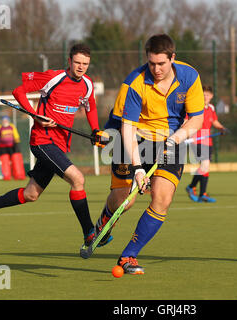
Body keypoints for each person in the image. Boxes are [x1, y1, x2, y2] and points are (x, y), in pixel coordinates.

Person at [86, 34, 204, 275]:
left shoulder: (190, 77)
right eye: (151, 63)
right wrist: (139, 168)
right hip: (134, 138)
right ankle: (105, 220)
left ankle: (128, 256)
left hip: (171, 140)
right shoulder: (135, 83)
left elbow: (197, 118)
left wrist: (177, 138)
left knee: (162, 198)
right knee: (124, 200)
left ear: (173, 57)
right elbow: (126, 128)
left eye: (161, 63)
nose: (156, 69)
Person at [0, 44, 106, 251]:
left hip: (59, 145)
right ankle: (89, 233)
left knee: (31, 194)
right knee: (78, 179)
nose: (81, 67)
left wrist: (96, 130)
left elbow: (91, 106)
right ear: (69, 61)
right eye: (77, 62)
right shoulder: (53, 77)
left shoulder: (87, 84)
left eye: (85, 64)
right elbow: (18, 91)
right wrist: (35, 115)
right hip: (42, 141)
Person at [185, 85, 228, 203]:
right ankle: (193, 188)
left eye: (208, 95)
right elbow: (186, 121)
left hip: (207, 140)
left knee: (205, 167)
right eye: (203, 95)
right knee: (204, 165)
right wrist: (187, 134)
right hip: (197, 139)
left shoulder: (211, 108)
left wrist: (222, 128)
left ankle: (200, 192)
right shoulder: (195, 107)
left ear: (211, 96)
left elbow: (214, 121)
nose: (205, 97)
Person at [0, 115, 26, 180]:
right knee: (5, 162)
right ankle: (6, 176)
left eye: (6, 120)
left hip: (13, 147)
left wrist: (17, 143)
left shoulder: (12, 126)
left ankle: (19, 175)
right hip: (2, 147)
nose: (5, 122)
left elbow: (16, 135)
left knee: (16, 161)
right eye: (3, 121)